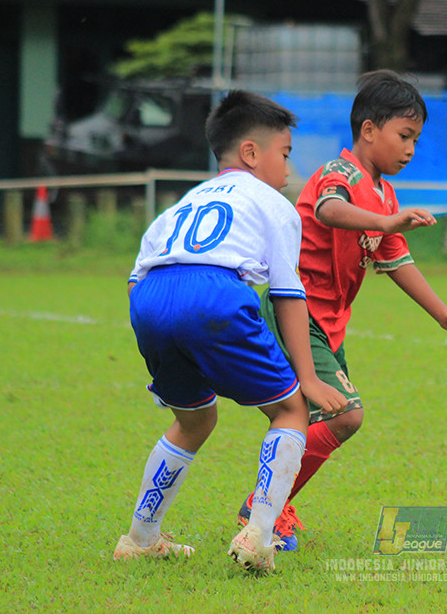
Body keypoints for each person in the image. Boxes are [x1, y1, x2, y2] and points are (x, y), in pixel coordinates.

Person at [235, 70, 447, 549]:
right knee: (344, 416)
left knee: (315, 418)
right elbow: (329, 210)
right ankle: (262, 507)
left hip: (328, 324)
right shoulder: (341, 174)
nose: (411, 148)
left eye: (416, 138)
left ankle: (274, 507)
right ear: (369, 130)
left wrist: (443, 314)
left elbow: (397, 259)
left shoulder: (384, 193)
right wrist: (383, 219)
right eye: (404, 135)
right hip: (297, 312)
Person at [112, 90, 347, 575]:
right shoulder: (273, 203)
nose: (288, 169)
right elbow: (288, 293)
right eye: (285, 155)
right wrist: (309, 377)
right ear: (251, 153)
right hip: (214, 293)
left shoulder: (185, 201)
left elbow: (138, 276)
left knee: (195, 419)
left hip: (150, 299)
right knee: (291, 409)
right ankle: (259, 534)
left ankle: (140, 537)